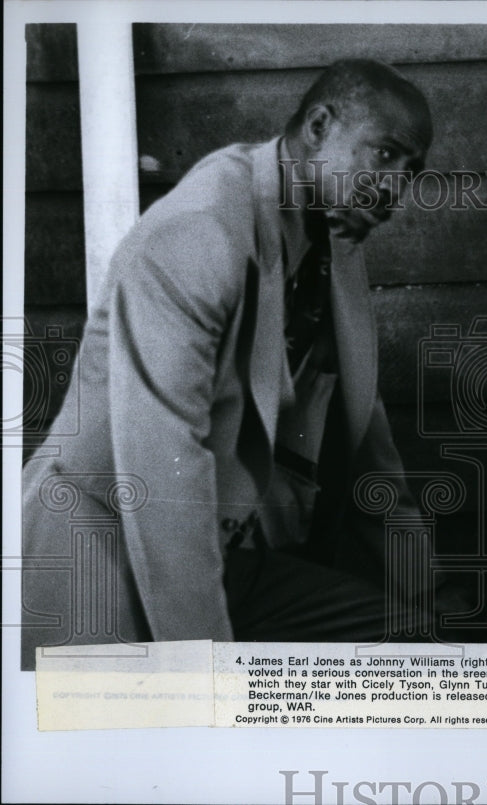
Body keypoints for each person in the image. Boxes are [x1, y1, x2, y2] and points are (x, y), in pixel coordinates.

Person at [21, 59, 448, 665]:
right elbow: (159, 477)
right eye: (384, 156)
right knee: (144, 748)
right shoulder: (200, 232)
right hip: (97, 555)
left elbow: (368, 448)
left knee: (406, 641)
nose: (395, 190)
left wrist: (440, 619)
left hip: (218, 557)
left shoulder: (333, 241)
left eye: (412, 172)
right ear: (320, 125)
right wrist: (204, 677)